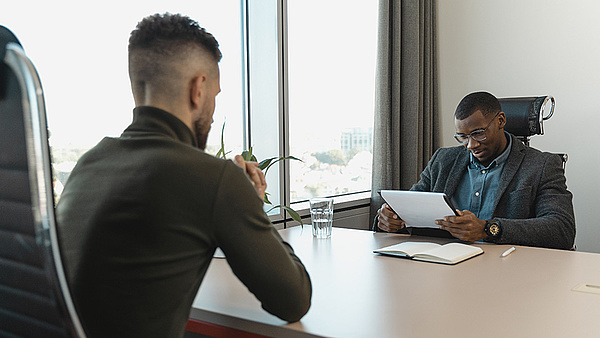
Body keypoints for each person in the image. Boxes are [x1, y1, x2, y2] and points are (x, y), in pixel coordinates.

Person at [56, 13, 311, 337]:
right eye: (215, 96)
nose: (213, 110)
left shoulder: (89, 163)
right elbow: (294, 301)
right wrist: (248, 200)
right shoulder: (214, 178)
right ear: (198, 88)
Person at [375, 91, 575, 250]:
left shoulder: (542, 165)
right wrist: (389, 220)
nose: (470, 145)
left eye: (478, 134)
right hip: (442, 267)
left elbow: (561, 229)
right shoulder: (443, 160)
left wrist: (488, 229)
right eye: (462, 137)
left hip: (509, 271)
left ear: (501, 121)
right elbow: (411, 206)